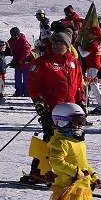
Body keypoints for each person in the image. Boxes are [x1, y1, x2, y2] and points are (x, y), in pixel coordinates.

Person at [25, 32, 85, 184]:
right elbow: (33, 84)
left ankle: (70, 170)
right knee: (50, 139)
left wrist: (81, 101)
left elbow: (79, 84)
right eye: (55, 43)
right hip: (51, 108)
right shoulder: (43, 62)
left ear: (68, 45)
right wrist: (38, 101)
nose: (58, 46)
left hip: (71, 109)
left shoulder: (74, 62)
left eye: (61, 43)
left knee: (71, 141)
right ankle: (39, 171)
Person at [8, 27, 34, 97]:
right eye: (12, 35)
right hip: (18, 62)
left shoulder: (23, 40)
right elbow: (11, 50)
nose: (14, 36)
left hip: (25, 63)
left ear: (18, 34)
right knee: (17, 78)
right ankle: (19, 91)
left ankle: (27, 92)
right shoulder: (11, 41)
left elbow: (27, 52)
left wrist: (20, 60)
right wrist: (15, 60)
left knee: (26, 78)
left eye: (15, 35)